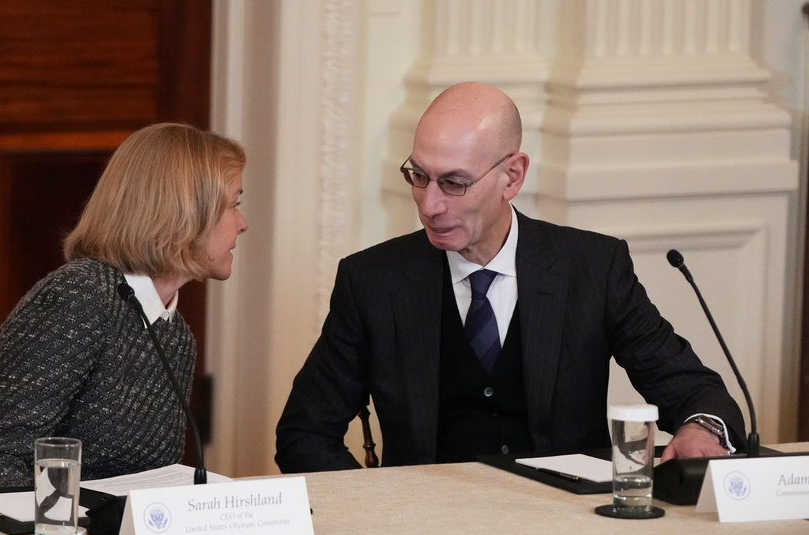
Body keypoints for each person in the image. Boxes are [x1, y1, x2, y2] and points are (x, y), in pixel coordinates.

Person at [275, 82, 744, 473]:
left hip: (567, 530)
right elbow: (304, 433)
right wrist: (383, 514)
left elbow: (696, 392)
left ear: (512, 177)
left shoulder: (593, 267)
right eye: (419, 176)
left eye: (454, 183)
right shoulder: (372, 281)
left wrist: (700, 428)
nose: (429, 204)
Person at [0, 123, 248, 490]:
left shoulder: (175, 335)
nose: (243, 224)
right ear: (185, 211)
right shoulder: (81, 296)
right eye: (235, 204)